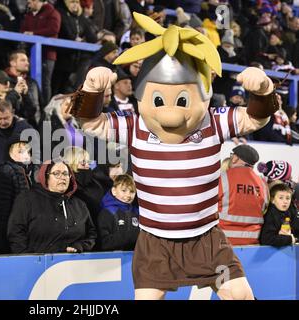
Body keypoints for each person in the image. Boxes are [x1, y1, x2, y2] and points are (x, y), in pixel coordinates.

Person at [67, 13, 280, 299]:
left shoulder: (213, 121)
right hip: (155, 244)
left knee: (239, 294)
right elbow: (91, 123)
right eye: (158, 99)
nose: (171, 113)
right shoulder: (134, 125)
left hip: (207, 243)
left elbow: (255, 120)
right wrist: (91, 90)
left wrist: (263, 92)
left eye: (182, 100)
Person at [7, 161, 97, 254]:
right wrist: (28, 259)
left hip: (73, 263)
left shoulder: (79, 204)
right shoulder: (27, 200)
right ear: (46, 177)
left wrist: (80, 246)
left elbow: (91, 234)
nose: (62, 177)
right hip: (37, 264)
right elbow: (16, 233)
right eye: (56, 173)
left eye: (65, 174)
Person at [0, 135, 38, 254]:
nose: (26, 155)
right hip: (10, 237)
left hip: (28, 234)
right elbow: (0, 212)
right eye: (20, 151)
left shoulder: (32, 172)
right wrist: (2, 242)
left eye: (28, 151)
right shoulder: (4, 171)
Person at [218, 145, 269, 246]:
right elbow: (264, 209)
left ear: (235, 158)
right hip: (252, 244)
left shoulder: (222, 178)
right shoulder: (263, 184)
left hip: (223, 243)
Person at [21, 0, 61, 105]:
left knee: (45, 83)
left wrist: (34, 33)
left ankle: (45, 111)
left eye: (32, 0)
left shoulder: (53, 13)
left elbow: (53, 29)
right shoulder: (28, 15)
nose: (29, 2)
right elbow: (23, 30)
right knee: (31, 82)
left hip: (47, 54)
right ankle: (33, 108)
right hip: (30, 53)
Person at [97, 174, 139, 251]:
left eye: (132, 191)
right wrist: (130, 236)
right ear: (114, 191)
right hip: (112, 259)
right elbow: (104, 242)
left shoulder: (136, 212)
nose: (128, 195)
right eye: (124, 190)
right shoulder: (107, 212)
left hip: (134, 258)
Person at [63, 146, 105, 223]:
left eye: (88, 162)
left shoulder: (95, 180)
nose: (87, 166)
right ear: (72, 163)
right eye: (83, 162)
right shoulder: (69, 186)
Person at [259, 183, 299, 247]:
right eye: (281, 198)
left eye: (288, 198)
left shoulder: (289, 213)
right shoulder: (270, 215)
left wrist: (294, 238)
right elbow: (266, 239)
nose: (285, 201)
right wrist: (290, 239)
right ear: (272, 200)